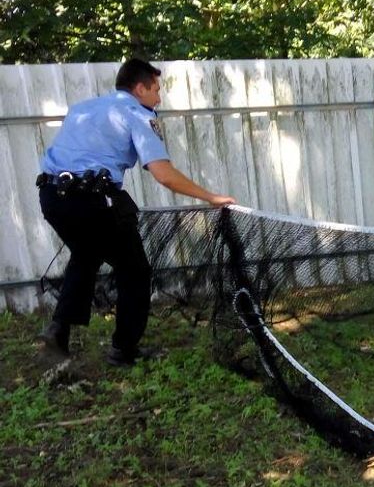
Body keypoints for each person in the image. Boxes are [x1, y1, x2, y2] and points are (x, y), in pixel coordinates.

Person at [36, 58, 235, 366]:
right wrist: (210, 196)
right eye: (156, 90)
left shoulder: (82, 109)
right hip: (91, 201)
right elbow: (163, 174)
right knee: (135, 272)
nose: (159, 97)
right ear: (140, 88)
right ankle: (123, 350)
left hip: (51, 197)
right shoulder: (137, 114)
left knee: (86, 254)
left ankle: (58, 329)